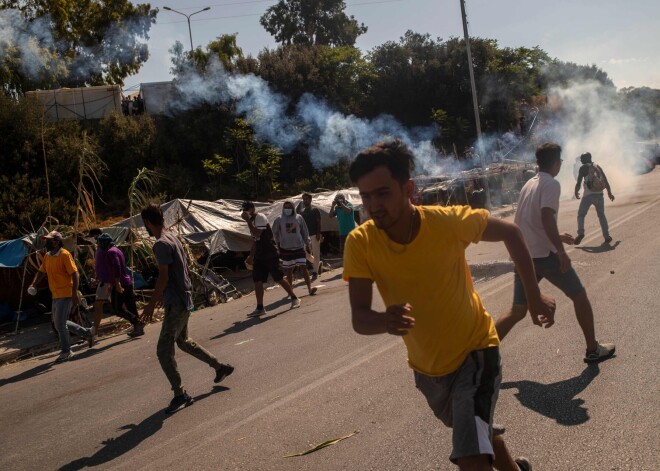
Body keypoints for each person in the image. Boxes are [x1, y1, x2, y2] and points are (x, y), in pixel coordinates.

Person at [344, 140, 556, 471]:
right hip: (428, 370)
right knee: (472, 433)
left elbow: (512, 233)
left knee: (470, 454)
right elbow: (359, 317)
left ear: (408, 189)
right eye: (366, 196)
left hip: (476, 352)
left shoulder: (446, 222)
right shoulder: (360, 243)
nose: (374, 205)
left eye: (383, 193)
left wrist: (532, 295)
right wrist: (384, 321)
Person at [495, 143, 616, 363]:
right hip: (545, 257)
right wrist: (560, 251)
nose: (560, 164)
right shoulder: (551, 184)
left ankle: (478, 355)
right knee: (579, 296)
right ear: (556, 163)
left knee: (517, 310)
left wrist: (557, 236)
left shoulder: (529, 185)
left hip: (525, 257)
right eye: (560, 161)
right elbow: (545, 217)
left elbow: (523, 222)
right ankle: (592, 350)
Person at [140, 204, 234, 414]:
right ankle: (220, 367)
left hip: (177, 301)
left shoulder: (160, 244)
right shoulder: (172, 237)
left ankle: (180, 394)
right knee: (182, 341)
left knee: (163, 350)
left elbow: (164, 276)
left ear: (147, 222)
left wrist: (151, 303)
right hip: (184, 297)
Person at [28, 231, 93, 363]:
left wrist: (74, 293)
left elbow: (75, 274)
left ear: (57, 242)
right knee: (59, 323)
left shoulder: (64, 255)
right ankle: (87, 333)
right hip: (55, 294)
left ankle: (66, 351)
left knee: (60, 324)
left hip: (66, 293)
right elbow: (41, 271)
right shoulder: (47, 256)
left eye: (49, 240)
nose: (46, 242)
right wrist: (34, 284)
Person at [241, 201, 301, 316]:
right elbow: (255, 240)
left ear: (253, 209)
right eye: (244, 211)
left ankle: (294, 298)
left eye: (247, 210)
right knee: (257, 280)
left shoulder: (260, 217)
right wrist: (251, 255)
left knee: (278, 277)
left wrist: (248, 221)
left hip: (269, 252)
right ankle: (260, 307)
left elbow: (258, 234)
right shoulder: (252, 220)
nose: (245, 213)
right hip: (259, 253)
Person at [91, 233, 145, 339]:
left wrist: (117, 283)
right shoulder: (116, 250)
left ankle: (137, 323)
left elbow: (117, 266)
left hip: (120, 283)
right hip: (126, 282)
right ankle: (138, 328)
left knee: (118, 309)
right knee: (130, 306)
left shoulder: (111, 252)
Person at [273, 200, 318, 296]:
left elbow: (304, 232)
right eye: (286, 207)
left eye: (289, 207)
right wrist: (278, 244)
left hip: (299, 246)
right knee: (289, 270)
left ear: (293, 208)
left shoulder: (299, 218)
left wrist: (308, 244)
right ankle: (291, 291)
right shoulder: (279, 219)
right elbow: (275, 232)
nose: (287, 209)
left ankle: (309, 288)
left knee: (304, 267)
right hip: (285, 248)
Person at [574, 152, 614, 245]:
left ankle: (581, 233)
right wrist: (609, 193)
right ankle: (607, 236)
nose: (581, 160)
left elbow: (579, 182)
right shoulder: (598, 166)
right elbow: (605, 180)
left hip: (587, 196)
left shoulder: (583, 168)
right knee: (601, 216)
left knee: (581, 215)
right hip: (599, 195)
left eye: (582, 158)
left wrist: (576, 192)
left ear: (587, 158)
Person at [297, 193, 322, 279]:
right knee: (304, 253)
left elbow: (318, 222)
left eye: (306, 199)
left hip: (315, 234)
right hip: (305, 236)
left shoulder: (315, 210)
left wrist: (318, 233)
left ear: (310, 200)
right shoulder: (301, 212)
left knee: (316, 253)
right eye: (304, 199)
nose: (305, 200)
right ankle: (318, 263)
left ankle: (315, 271)